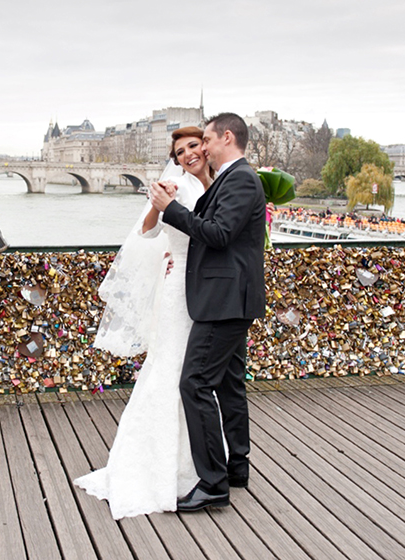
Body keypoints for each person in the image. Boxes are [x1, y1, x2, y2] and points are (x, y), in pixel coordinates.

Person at [74, 127, 212, 519]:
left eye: (192, 146)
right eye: (180, 150)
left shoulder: (218, 183)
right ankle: (164, 467)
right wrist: (158, 202)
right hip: (179, 292)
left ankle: (196, 463)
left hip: (202, 290)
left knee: (193, 377)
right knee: (171, 373)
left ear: (206, 146)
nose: (187, 154)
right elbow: (148, 231)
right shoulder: (176, 186)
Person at [150, 112, 266, 512]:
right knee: (230, 383)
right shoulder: (235, 179)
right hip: (230, 296)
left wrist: (171, 209)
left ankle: (213, 483)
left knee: (194, 383)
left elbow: (217, 234)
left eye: (207, 140)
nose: (203, 147)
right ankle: (237, 466)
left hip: (224, 300)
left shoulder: (241, 179)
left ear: (226, 138)